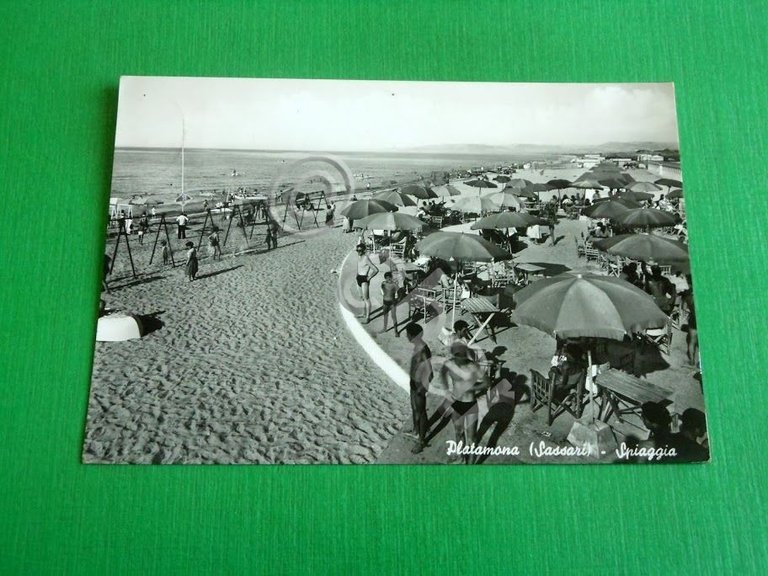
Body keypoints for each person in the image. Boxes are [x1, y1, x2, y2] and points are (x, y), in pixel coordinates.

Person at [439, 341, 488, 463]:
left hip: (470, 404)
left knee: (472, 438)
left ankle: (470, 466)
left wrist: (472, 388)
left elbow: (487, 383)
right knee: (458, 433)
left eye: (462, 354)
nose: (461, 357)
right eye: (458, 354)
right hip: (456, 403)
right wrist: (446, 390)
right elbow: (442, 373)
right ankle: (461, 459)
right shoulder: (449, 364)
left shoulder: (472, 366)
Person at [404, 322, 433, 454]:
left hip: (420, 385)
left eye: (407, 334)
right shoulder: (417, 346)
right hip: (413, 382)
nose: (406, 336)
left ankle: (421, 441)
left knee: (420, 412)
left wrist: (422, 387)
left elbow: (430, 372)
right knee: (415, 408)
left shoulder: (422, 349)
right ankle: (416, 431)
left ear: (412, 335)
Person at [355, 244, 379, 323]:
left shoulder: (366, 258)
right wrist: (357, 275)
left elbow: (375, 269)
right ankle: (363, 313)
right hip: (359, 278)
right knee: (361, 298)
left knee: (366, 299)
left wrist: (369, 277)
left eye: (360, 250)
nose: (359, 252)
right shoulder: (359, 257)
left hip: (364, 280)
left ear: (364, 250)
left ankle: (368, 317)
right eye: (357, 250)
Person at [379, 271, 399, 336]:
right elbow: (381, 288)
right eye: (387, 278)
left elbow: (399, 291)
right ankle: (384, 328)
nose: (389, 279)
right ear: (385, 278)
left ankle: (396, 331)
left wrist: (396, 298)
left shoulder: (394, 284)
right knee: (385, 315)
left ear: (391, 277)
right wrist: (383, 294)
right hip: (385, 302)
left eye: (390, 278)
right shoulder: (383, 283)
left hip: (392, 303)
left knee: (393, 316)